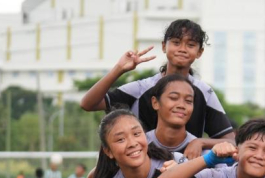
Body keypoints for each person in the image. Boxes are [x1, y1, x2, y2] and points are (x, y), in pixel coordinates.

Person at [80, 19, 234, 160]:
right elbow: (88, 104)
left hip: (187, 172)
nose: (182, 49)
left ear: (199, 52)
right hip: (141, 168)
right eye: (176, 42)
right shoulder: (142, 88)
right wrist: (119, 69)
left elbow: (231, 141)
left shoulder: (204, 92)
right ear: (163, 46)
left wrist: (200, 142)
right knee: (95, 176)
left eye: (191, 45)